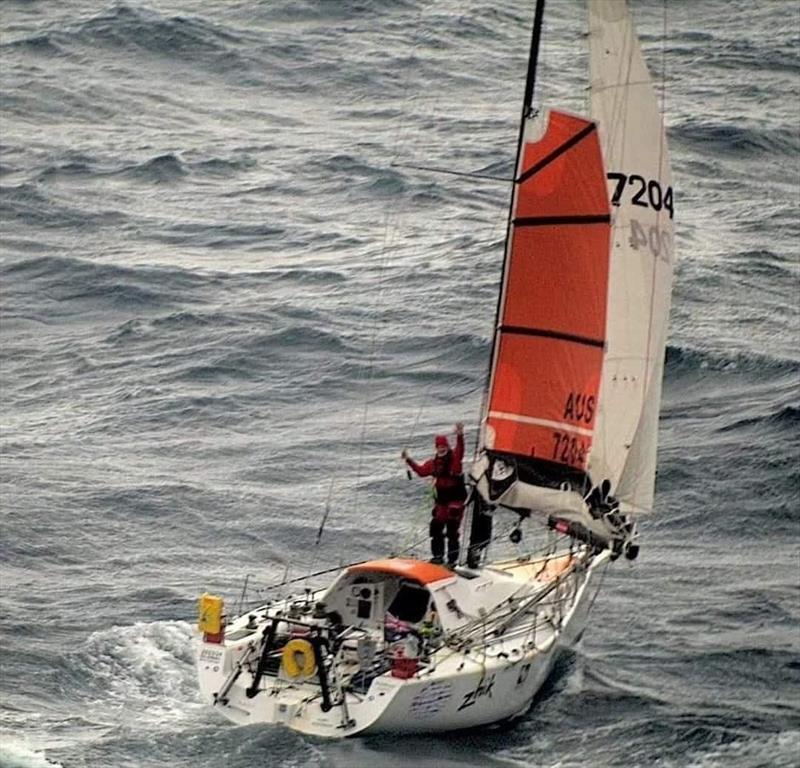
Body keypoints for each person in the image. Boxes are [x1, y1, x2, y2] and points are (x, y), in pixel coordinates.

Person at [402, 423, 467, 566]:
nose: (441, 448)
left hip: (455, 502)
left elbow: (461, 450)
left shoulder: (455, 459)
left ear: (447, 447)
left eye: (443, 446)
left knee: (452, 531)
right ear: (436, 448)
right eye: (439, 447)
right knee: (436, 528)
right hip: (441, 502)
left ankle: (451, 561)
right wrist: (409, 460)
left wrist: (460, 435)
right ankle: (437, 557)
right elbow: (421, 471)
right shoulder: (433, 463)